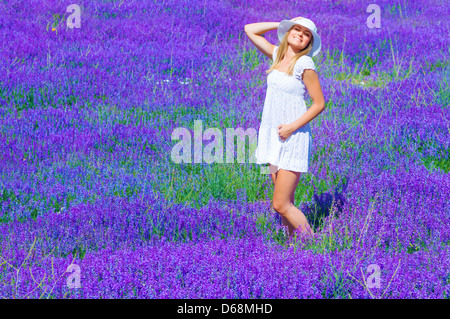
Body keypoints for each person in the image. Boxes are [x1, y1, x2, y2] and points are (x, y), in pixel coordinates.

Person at [244, 17, 325, 240]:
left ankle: (312, 246)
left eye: (305, 33)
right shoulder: (277, 55)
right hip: (272, 138)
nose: (300, 34)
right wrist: (281, 23)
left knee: (280, 204)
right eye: (296, 29)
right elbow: (250, 29)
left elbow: (319, 104)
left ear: (309, 42)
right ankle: (292, 250)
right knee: (284, 203)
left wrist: (291, 128)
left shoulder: (305, 64)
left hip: (292, 137)